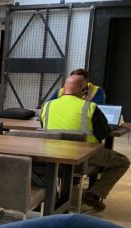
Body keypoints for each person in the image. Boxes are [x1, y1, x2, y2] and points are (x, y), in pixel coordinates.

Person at [41, 74, 129, 210]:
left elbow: (44, 128)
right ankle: (94, 194)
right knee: (122, 161)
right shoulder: (90, 107)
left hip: (53, 155)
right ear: (83, 89)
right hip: (83, 156)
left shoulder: (46, 106)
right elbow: (104, 133)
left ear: (64, 89)